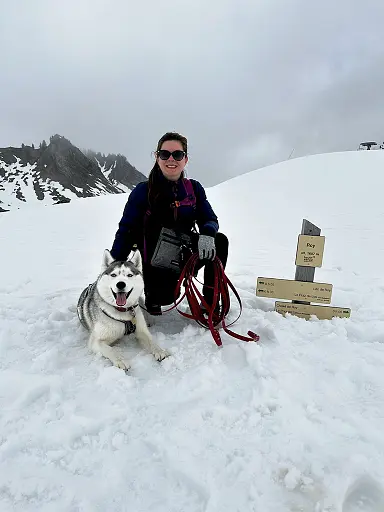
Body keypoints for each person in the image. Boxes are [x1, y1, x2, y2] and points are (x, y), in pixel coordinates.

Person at [110, 132, 229, 316]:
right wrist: (112, 267)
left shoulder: (194, 189)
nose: (171, 159)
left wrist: (208, 232)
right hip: (154, 261)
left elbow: (209, 218)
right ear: (157, 158)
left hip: (184, 254)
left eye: (177, 154)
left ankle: (210, 303)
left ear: (185, 159)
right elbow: (126, 231)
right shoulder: (143, 191)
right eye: (165, 154)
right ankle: (151, 294)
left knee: (219, 241)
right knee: (164, 298)